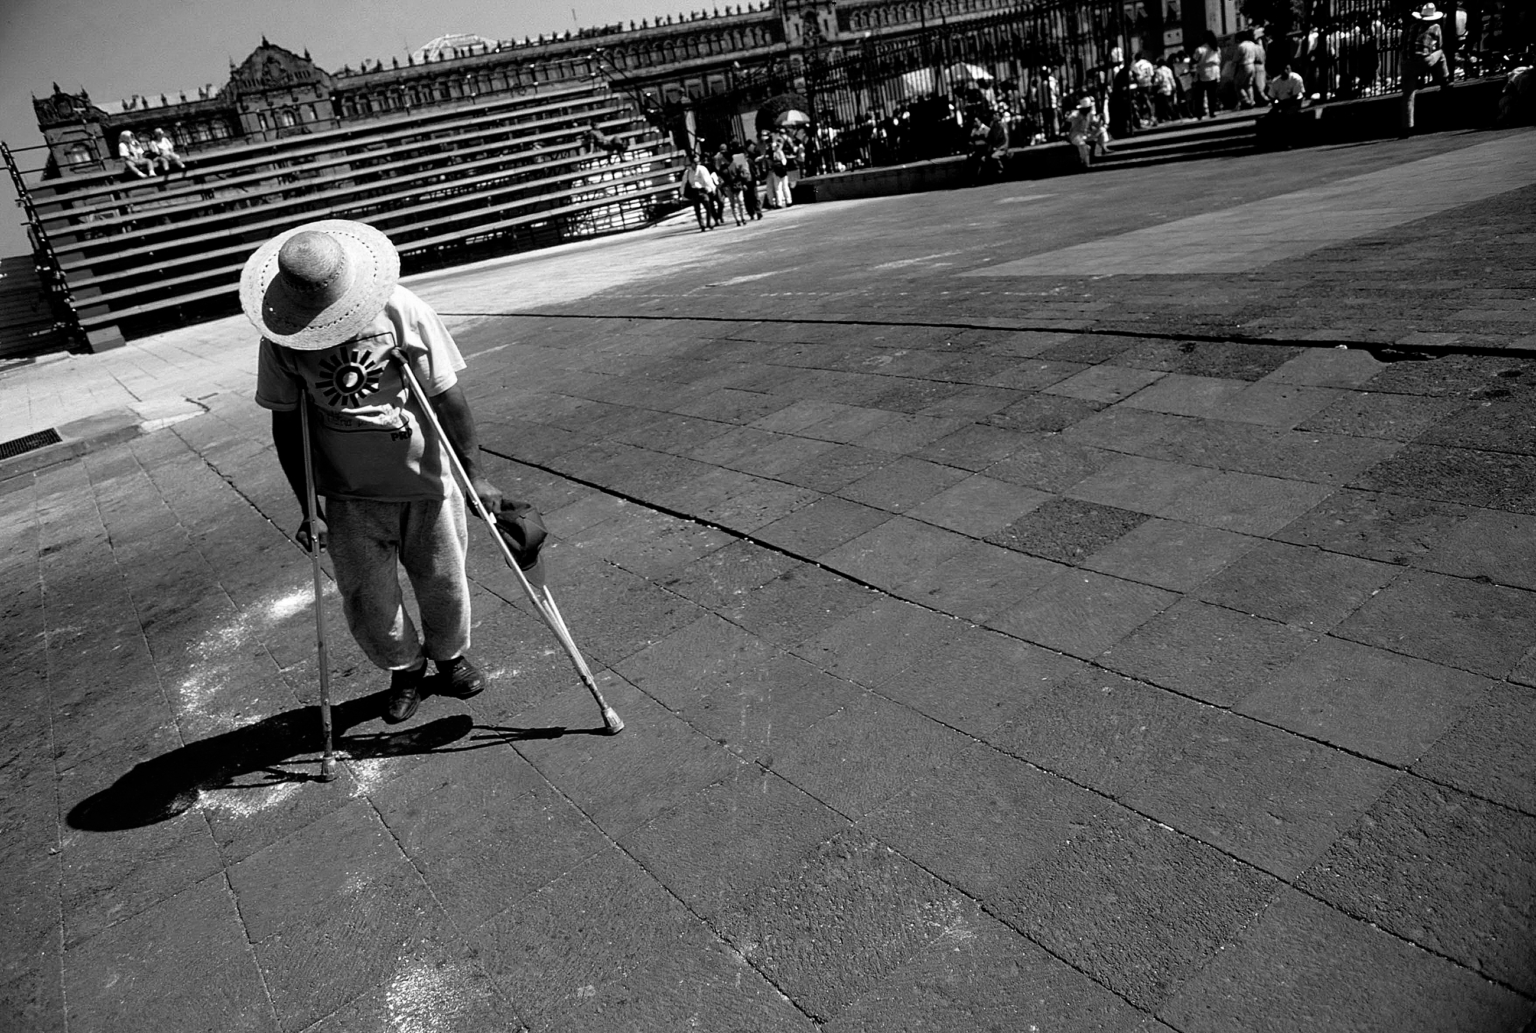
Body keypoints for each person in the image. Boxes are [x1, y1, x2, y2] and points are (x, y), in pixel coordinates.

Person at [243, 220, 502, 724]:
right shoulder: (282, 335)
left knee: (443, 581)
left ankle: (449, 659)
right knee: (368, 597)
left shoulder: (401, 308)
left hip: (425, 479)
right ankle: (405, 669)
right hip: (349, 494)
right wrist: (307, 507)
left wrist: (476, 473)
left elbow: (447, 393)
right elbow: (285, 422)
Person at [1263, 62, 1308, 149]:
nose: (1286, 71)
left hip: (1295, 102)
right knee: (1269, 118)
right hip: (1281, 103)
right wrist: (1276, 105)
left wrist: (1282, 104)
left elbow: (1296, 96)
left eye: (1288, 69)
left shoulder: (1296, 79)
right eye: (1284, 69)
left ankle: (1289, 141)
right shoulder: (1276, 82)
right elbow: (1272, 96)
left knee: (1288, 116)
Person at [1410, 3, 1450, 89]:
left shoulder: (1414, 26)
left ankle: (1420, 79)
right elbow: (1440, 44)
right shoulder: (1436, 27)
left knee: (1422, 54)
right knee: (1440, 53)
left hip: (1411, 59)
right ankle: (1445, 78)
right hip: (1424, 60)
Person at [1067, 95, 1110, 167]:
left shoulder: (1090, 115)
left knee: (1102, 130)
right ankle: (1085, 163)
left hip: (1085, 134)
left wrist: (1100, 120)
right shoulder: (1076, 114)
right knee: (1083, 146)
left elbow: (1096, 124)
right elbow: (1068, 120)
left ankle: (1102, 149)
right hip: (1076, 135)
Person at [682, 154, 719, 231]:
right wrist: (682, 193)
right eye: (694, 162)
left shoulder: (702, 169)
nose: (696, 164)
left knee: (708, 207)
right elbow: (684, 183)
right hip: (694, 192)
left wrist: (712, 188)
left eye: (697, 162)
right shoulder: (688, 172)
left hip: (702, 190)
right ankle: (702, 225)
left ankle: (709, 222)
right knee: (697, 210)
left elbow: (707, 180)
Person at [1192, 32, 1223, 117]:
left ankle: (1199, 113)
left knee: (1200, 94)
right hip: (1214, 71)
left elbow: (1195, 59)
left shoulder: (1200, 49)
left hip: (1203, 71)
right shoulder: (1216, 48)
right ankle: (1212, 112)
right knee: (1212, 94)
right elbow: (1219, 59)